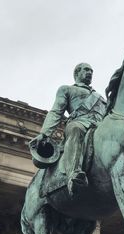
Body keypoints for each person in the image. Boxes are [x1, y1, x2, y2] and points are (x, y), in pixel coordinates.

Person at [33, 63, 107, 195]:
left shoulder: (101, 98)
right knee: (75, 129)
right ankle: (74, 173)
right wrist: (44, 133)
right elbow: (56, 112)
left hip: (100, 128)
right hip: (80, 123)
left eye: (91, 71)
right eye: (86, 70)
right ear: (77, 73)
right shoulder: (66, 89)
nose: (89, 73)